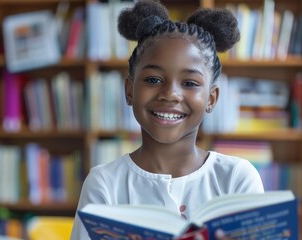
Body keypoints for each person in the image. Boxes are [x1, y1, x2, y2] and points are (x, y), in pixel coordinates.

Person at [71, 0, 264, 239]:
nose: (170, 94)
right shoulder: (105, 184)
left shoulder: (236, 178)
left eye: (190, 83)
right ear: (129, 90)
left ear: (211, 99)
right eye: (153, 79)